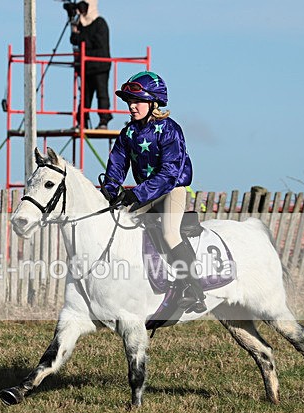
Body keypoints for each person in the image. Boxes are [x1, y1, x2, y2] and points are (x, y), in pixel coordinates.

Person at [102, 71, 206, 314]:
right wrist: (110, 189)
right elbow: (117, 164)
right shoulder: (128, 133)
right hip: (146, 193)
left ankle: (194, 289)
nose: (131, 106)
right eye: (129, 101)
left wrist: (136, 194)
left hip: (171, 189)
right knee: (120, 225)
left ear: (153, 102)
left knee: (170, 233)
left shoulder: (170, 129)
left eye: (137, 101)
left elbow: (170, 173)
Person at [70, 0, 112, 129]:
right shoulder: (81, 24)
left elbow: (96, 43)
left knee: (102, 94)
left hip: (100, 66)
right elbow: (74, 40)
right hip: (86, 67)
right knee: (85, 96)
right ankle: (82, 121)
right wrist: (73, 24)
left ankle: (103, 121)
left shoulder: (100, 23)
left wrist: (81, 37)